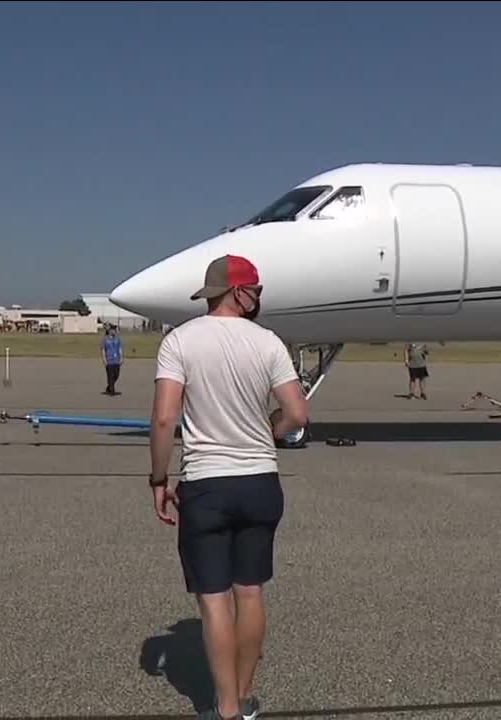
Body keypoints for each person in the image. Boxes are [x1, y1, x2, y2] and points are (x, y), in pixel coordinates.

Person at [148, 254, 309, 720]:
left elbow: (163, 418)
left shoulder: (179, 341)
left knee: (215, 601)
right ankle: (243, 696)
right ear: (239, 292)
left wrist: (158, 478)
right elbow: (297, 415)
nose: (259, 298)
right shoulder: (270, 344)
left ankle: (224, 709)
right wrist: (267, 433)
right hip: (260, 482)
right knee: (251, 592)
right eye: (255, 290)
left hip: (206, 485)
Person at [101, 324, 124, 395]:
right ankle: (112, 391)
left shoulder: (118, 339)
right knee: (110, 376)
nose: (114, 331)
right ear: (110, 331)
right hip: (109, 360)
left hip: (116, 360)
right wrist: (104, 359)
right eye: (113, 330)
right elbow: (103, 350)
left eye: (115, 330)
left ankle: (109, 387)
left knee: (116, 375)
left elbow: (120, 349)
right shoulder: (105, 339)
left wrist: (121, 358)